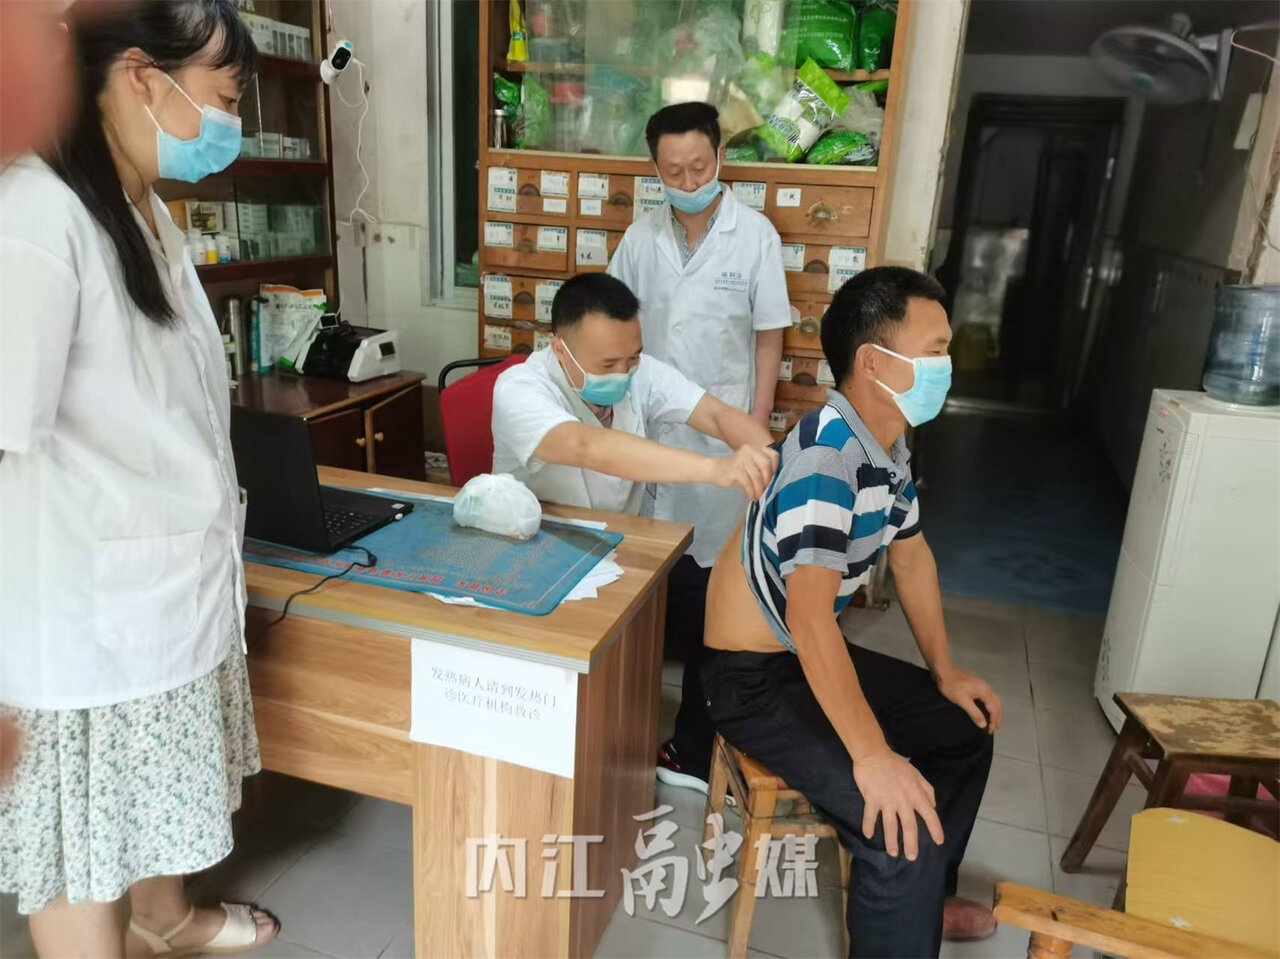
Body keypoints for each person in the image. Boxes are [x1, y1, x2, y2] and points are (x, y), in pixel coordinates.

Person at [0, 2, 279, 955]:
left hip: (158, 593)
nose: (230, 124)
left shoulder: (139, 205)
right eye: (225, 98)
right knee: (82, 848)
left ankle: (168, 918)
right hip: (79, 620)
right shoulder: (37, 212)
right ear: (139, 76)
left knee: (146, 801)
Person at [700, 267, 1003, 957]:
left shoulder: (884, 447)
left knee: (964, 725)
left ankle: (926, 897)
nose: (946, 366)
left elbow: (912, 556)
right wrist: (872, 755)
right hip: (749, 680)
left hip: (798, 660)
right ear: (873, 361)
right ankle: (911, 880)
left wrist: (945, 669)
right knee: (900, 829)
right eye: (935, 350)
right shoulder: (827, 456)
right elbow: (811, 622)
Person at [607, 102, 790, 794]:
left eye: (699, 166)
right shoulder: (640, 237)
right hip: (649, 434)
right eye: (673, 171)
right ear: (654, 169)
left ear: (720, 158)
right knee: (646, 588)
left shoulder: (755, 236)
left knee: (717, 595)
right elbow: (611, 323)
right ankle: (623, 729)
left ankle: (693, 741)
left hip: (721, 435)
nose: (687, 181)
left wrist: (757, 423)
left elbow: (768, 337)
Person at [492, 273, 778, 512]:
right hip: (531, 540)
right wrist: (717, 470)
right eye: (608, 364)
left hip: (618, 537)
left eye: (632, 357)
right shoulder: (519, 389)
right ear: (560, 351)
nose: (622, 372)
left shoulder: (641, 371)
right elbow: (585, 446)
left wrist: (774, 464)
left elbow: (716, 415)